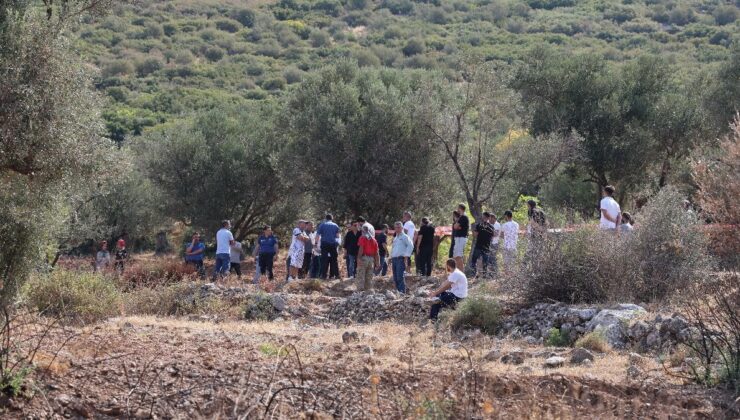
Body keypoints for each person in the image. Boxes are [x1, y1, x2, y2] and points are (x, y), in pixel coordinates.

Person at [390, 221, 414, 293]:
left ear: (402, 228)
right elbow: (394, 248)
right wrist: (391, 257)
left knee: (400, 276)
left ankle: (402, 292)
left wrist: (406, 256)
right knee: (395, 277)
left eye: (399, 227)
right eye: (396, 227)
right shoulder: (395, 238)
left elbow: (411, 246)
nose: (397, 229)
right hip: (394, 259)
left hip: (400, 259)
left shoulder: (405, 237)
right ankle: (398, 292)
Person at [470, 212, 495, 278]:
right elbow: (492, 237)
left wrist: (473, 229)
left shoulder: (479, 225)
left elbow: (475, 235)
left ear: (483, 217)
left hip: (478, 246)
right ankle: (484, 276)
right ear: (489, 218)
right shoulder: (491, 227)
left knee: (473, 261)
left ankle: (474, 275)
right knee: (485, 263)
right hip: (486, 247)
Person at [316, 214, 341, 279]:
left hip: (324, 244)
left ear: (326, 218)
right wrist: (336, 243)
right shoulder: (335, 225)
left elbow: (318, 235)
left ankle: (323, 275)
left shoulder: (322, 225)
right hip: (333, 244)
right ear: (332, 218)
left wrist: (316, 243)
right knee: (334, 260)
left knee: (324, 259)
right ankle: (337, 275)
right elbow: (338, 236)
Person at [356, 225, 380, 291]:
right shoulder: (374, 240)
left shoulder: (362, 238)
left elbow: (361, 248)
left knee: (361, 275)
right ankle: (368, 291)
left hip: (364, 258)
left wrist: (358, 258)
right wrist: (377, 263)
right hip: (371, 260)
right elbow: (377, 253)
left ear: (363, 231)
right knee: (369, 277)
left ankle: (360, 291)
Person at [452, 204, 470, 270]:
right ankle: (455, 271)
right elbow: (456, 227)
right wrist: (457, 226)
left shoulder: (463, 217)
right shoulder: (460, 217)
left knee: (459, 256)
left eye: (458, 208)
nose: (457, 209)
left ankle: (462, 272)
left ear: (460, 208)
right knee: (455, 256)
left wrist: (457, 225)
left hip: (461, 238)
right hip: (458, 238)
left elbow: (456, 226)